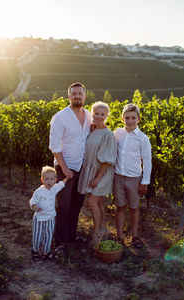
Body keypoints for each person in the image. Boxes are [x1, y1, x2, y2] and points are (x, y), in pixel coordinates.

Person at [49, 82, 92, 254]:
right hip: (64, 167)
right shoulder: (60, 117)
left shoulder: (89, 116)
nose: (77, 96)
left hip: (82, 166)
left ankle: (71, 235)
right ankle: (59, 241)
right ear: (68, 96)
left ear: (84, 96)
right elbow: (54, 146)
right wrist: (65, 168)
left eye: (79, 93)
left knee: (76, 204)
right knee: (64, 205)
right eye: (73, 93)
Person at [78, 101, 117, 247]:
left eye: (102, 114)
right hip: (92, 170)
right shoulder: (92, 130)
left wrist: (97, 177)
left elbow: (107, 161)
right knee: (99, 202)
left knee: (92, 202)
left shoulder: (108, 135)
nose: (99, 116)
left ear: (107, 116)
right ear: (92, 114)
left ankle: (95, 233)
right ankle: (103, 229)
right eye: (96, 113)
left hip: (102, 173)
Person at [113, 103, 152, 248]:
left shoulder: (143, 139)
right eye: (127, 117)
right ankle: (119, 237)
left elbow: (147, 161)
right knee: (120, 207)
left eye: (133, 118)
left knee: (134, 207)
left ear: (138, 119)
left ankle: (135, 236)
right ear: (123, 118)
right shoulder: (117, 133)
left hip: (134, 178)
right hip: (118, 177)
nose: (130, 121)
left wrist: (144, 182)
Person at [29, 166, 68, 261]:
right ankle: (35, 251)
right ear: (42, 180)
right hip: (39, 218)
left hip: (50, 218)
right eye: (46, 179)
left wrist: (67, 178)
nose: (49, 182)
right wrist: (34, 206)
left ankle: (45, 252)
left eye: (51, 179)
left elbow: (61, 185)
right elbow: (32, 201)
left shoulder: (54, 189)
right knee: (38, 235)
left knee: (48, 235)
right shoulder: (39, 191)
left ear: (55, 180)